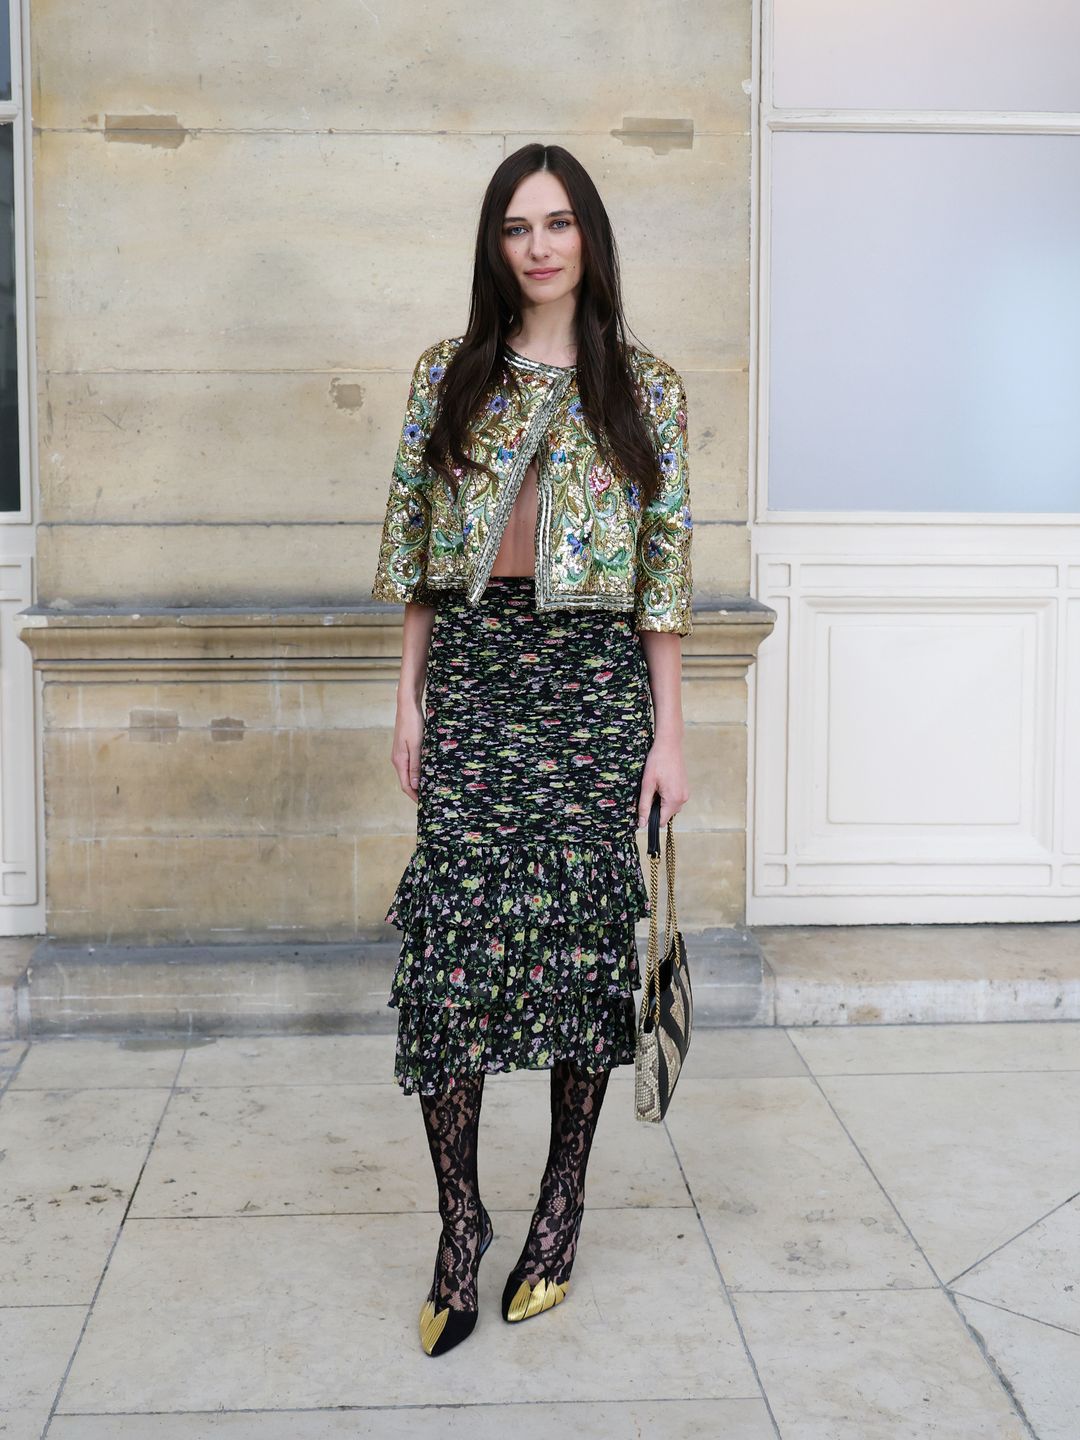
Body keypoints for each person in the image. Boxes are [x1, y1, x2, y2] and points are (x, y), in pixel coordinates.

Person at [371, 142, 693, 1357]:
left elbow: (666, 580)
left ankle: (559, 1213)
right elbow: (412, 559)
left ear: (589, 239)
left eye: (559, 223)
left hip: (594, 697)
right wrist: (407, 701)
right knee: (452, 960)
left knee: (572, 962)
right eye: (518, 227)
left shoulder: (647, 391)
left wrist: (669, 736)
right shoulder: (446, 379)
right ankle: (464, 1224)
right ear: (495, 248)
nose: (540, 245)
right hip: (474, 681)